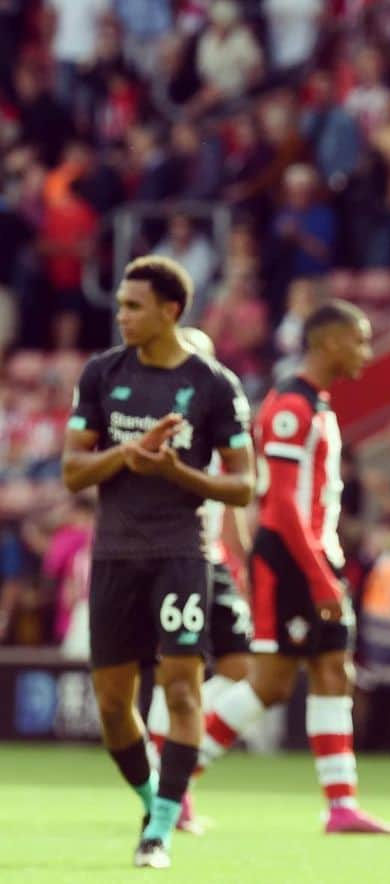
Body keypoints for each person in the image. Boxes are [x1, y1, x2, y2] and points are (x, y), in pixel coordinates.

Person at [61, 256, 255, 869]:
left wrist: (177, 471)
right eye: (120, 305)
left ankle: (162, 831)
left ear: (170, 311)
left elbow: (245, 486)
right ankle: (152, 800)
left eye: (132, 306)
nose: (121, 315)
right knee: (114, 703)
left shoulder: (214, 385)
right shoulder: (100, 373)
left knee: (180, 690)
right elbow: (72, 471)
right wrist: (128, 451)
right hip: (115, 554)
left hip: (180, 554)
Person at [196, 300, 390, 836]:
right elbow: (282, 506)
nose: (366, 350)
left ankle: (341, 806)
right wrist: (319, 576)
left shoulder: (315, 403)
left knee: (335, 670)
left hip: (316, 556)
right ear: (328, 342)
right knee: (268, 684)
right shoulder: (291, 405)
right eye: (358, 339)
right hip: (291, 562)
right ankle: (172, 778)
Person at [144, 327, 254, 835]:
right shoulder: (165, 423)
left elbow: (233, 500)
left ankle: (168, 753)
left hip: (211, 558)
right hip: (173, 555)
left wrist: (242, 562)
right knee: (177, 668)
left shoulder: (220, 419)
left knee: (239, 667)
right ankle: (168, 777)